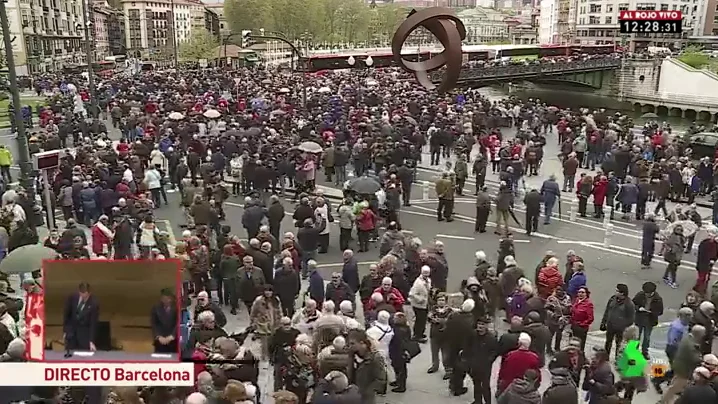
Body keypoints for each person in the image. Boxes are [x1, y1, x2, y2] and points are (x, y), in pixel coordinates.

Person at [658, 324, 706, 404]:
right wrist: (702, 358)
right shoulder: (691, 345)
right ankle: (663, 402)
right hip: (684, 370)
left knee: (675, 386)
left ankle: (664, 401)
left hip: (680, 366)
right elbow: (695, 359)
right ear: (699, 334)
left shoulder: (688, 338)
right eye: (703, 333)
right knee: (675, 388)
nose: (704, 335)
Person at [346, 329, 388, 404]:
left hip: (366, 398)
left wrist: (367, 391)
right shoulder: (351, 355)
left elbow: (381, 379)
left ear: (362, 343)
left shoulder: (375, 358)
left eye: (352, 344)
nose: (350, 347)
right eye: (349, 344)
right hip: (352, 395)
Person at [462, 319, 499, 404]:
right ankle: (478, 401)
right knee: (476, 385)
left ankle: (487, 402)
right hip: (474, 366)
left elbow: (495, 351)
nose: (480, 326)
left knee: (485, 386)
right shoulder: (473, 334)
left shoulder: (491, 338)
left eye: (482, 324)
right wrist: (467, 360)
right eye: (479, 324)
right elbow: (467, 347)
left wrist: (489, 360)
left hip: (485, 367)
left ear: (486, 326)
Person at [600, 283, 635, 359]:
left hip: (621, 329)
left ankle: (617, 359)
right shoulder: (612, 299)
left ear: (622, 293)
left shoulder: (629, 304)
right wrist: (603, 322)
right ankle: (605, 357)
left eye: (617, 291)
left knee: (619, 344)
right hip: (610, 326)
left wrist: (623, 325)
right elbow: (607, 311)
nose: (615, 292)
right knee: (608, 342)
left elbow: (631, 318)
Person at [62, 281, 99, 351]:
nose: (83, 297)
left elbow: (93, 324)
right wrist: (65, 330)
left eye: (86, 296)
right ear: (79, 292)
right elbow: (66, 315)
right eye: (82, 295)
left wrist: (91, 341)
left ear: (89, 293)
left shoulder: (94, 304)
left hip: (84, 337)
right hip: (71, 334)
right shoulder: (72, 298)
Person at [632, 281, 663, 358]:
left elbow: (660, 311)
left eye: (647, 293)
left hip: (650, 320)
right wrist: (638, 308)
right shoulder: (640, 295)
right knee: (636, 336)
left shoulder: (658, 299)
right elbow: (633, 304)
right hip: (639, 319)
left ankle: (645, 351)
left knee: (647, 337)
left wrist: (652, 312)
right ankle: (634, 351)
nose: (646, 294)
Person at [150, 288, 178, 354]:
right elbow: (154, 324)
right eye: (164, 298)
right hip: (160, 341)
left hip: (173, 341)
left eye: (168, 298)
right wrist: (158, 336)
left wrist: (172, 336)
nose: (166, 300)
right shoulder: (156, 308)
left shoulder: (177, 308)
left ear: (171, 299)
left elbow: (178, 323)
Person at [408, 265, 431, 343]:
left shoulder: (428, 280)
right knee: (420, 320)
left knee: (423, 320)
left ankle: (420, 333)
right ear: (421, 272)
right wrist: (420, 299)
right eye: (425, 272)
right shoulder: (418, 282)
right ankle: (417, 335)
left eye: (427, 273)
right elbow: (412, 294)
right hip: (418, 305)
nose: (426, 274)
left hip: (425, 304)